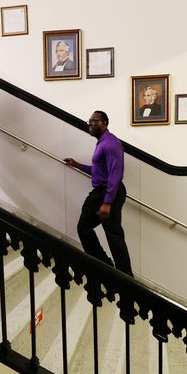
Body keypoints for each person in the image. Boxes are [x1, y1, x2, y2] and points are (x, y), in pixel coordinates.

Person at [64, 111, 133, 277]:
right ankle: (105, 267)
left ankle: (126, 279)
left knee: (113, 235)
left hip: (109, 192)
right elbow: (99, 170)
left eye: (95, 121)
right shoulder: (102, 143)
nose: (90, 124)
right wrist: (78, 165)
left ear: (105, 123)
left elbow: (116, 174)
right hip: (102, 191)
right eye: (89, 121)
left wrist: (107, 202)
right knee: (85, 228)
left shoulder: (110, 143)